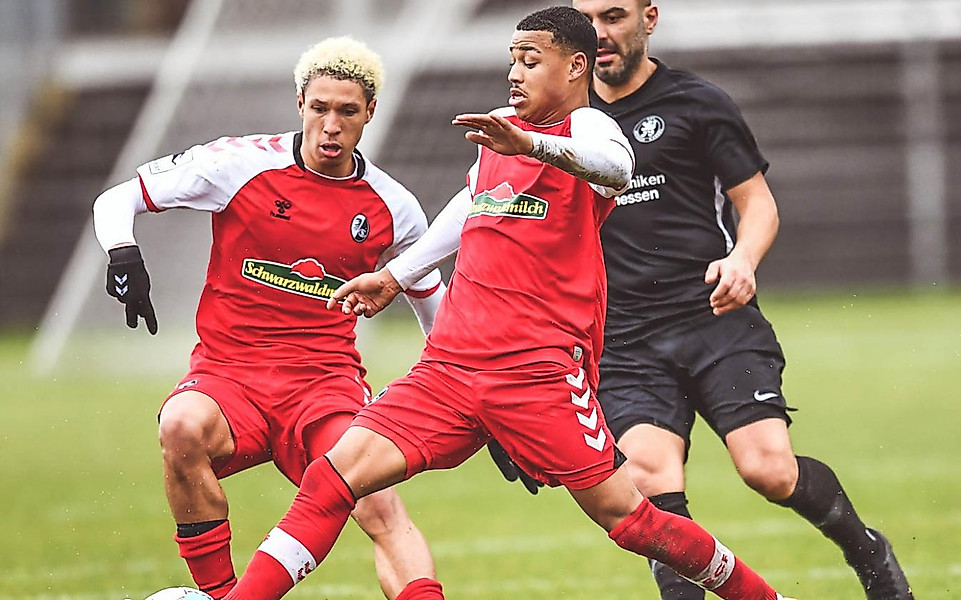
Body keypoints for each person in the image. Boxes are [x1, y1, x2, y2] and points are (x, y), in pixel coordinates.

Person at [219, 7, 795, 600]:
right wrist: (393, 275)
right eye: (512, 60)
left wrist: (533, 145)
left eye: (531, 60)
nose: (515, 73)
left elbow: (618, 169)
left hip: (537, 376)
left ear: (575, 66)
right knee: (332, 478)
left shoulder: (587, 129)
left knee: (631, 520)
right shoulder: (502, 131)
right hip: (449, 369)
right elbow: (473, 200)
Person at [544, 2, 912, 599]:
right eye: (587, 20)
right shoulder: (559, 124)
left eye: (613, 16)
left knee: (767, 470)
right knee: (650, 480)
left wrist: (742, 259)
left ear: (648, 19)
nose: (600, 34)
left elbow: (757, 203)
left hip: (712, 318)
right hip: (623, 338)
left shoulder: (697, 102)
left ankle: (868, 551)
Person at [93, 37, 445, 600]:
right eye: (320, 108)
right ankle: (221, 593)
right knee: (180, 426)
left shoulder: (394, 205)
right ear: (300, 102)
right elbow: (117, 199)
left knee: (379, 506)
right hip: (229, 375)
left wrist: (463, 385)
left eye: (347, 111)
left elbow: (432, 303)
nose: (331, 125)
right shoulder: (238, 163)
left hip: (324, 385)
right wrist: (122, 252)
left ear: (370, 112)